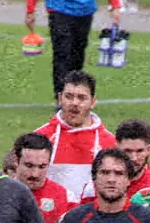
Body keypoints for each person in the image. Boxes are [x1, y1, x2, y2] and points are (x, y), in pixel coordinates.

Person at [34, 70, 117, 199]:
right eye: (69, 96)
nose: (74, 103)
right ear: (60, 99)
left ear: (93, 102)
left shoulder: (110, 143)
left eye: (82, 98)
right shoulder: (41, 137)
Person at [115, 118, 150, 198]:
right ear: (117, 148)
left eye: (139, 151)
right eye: (127, 151)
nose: (134, 158)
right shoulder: (102, 182)